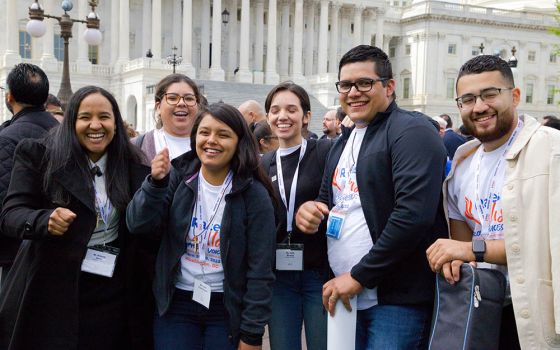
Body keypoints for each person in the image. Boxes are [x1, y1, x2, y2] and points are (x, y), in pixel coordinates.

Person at [295, 45, 448, 350]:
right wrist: (308, 211)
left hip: (394, 299)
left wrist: (360, 275)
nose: (353, 92)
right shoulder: (343, 142)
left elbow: (412, 216)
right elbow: (329, 200)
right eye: (345, 85)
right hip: (346, 294)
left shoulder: (412, 131)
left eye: (364, 83)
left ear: (389, 87)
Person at [426, 54, 560, 350]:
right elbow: (462, 240)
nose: (480, 107)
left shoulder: (551, 149)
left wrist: (471, 249)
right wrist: (456, 257)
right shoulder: (462, 162)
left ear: (514, 96)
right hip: (482, 310)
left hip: (536, 313)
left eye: (489, 94)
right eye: (468, 99)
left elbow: (545, 246)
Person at [0, 86, 149, 349]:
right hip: (53, 290)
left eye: (104, 117)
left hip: (112, 293)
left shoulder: (134, 166)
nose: (95, 125)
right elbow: (11, 214)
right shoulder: (39, 156)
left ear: (116, 122)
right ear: (71, 122)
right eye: (85, 117)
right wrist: (43, 220)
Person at [126, 103, 276, 350]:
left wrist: (252, 333)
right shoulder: (178, 176)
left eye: (223, 134)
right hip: (177, 303)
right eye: (205, 133)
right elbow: (137, 224)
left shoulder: (254, 194)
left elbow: (260, 269)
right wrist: (154, 184)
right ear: (195, 137)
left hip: (225, 308)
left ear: (239, 141)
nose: (211, 141)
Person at [261, 82, 332, 350]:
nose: (283, 117)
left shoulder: (325, 152)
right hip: (280, 278)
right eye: (275, 110)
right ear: (268, 117)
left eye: (292, 109)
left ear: (306, 116)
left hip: (318, 274)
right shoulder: (263, 164)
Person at [0, 63, 59, 286]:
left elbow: (4, 202)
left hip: (18, 250)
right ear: (45, 99)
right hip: (59, 241)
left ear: (10, 97)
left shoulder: (7, 137)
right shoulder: (63, 133)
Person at [134, 73, 202, 162]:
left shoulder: (210, 145)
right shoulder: (136, 147)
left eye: (189, 98)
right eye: (173, 98)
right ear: (158, 107)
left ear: (197, 106)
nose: (181, 103)